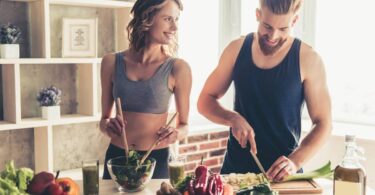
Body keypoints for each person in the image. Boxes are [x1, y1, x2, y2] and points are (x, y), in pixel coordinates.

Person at [197, 0, 332, 182]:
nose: (273, 36)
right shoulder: (236, 49)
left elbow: (323, 123)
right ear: (258, 15)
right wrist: (233, 118)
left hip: (282, 178)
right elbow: (205, 100)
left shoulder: (309, 59)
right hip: (235, 174)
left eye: (283, 28)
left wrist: (294, 162)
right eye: (267, 26)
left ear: (294, 21)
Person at [100, 0, 191, 179]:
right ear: (147, 18)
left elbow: (185, 125)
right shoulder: (110, 62)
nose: (174, 27)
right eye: (167, 19)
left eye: (176, 19)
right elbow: (103, 121)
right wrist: (108, 125)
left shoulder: (178, 68)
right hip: (117, 158)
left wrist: (175, 134)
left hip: (156, 161)